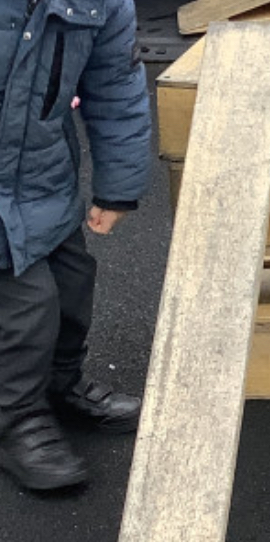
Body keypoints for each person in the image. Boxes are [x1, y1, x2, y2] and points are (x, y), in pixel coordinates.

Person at [0, 0, 152, 492]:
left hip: (42, 179)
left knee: (72, 283)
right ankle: (15, 418)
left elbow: (116, 90)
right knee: (26, 305)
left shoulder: (102, 4)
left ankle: (59, 384)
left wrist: (118, 188)